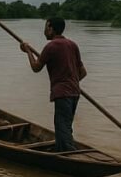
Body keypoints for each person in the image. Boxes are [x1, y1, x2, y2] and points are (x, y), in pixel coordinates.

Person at [20, 18, 86, 152]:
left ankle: (67, 153)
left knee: (62, 126)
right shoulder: (72, 45)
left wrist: (28, 51)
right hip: (75, 92)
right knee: (66, 125)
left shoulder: (51, 47)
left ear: (51, 29)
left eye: (46, 27)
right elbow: (83, 72)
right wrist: (71, 82)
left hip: (62, 93)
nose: (44, 31)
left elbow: (36, 67)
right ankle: (64, 149)